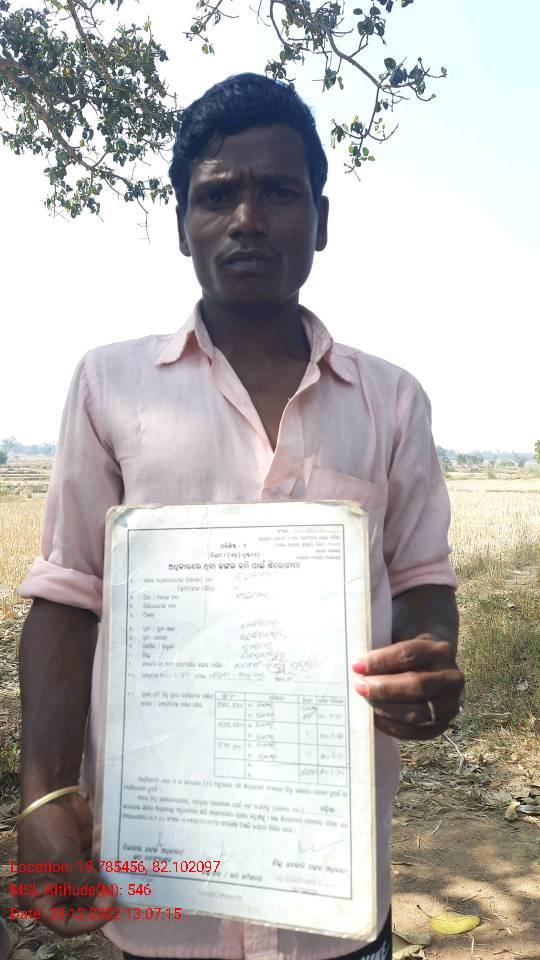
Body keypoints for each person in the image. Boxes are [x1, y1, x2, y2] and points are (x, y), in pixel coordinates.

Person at [16, 72, 464, 960]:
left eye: (280, 193)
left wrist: (427, 663)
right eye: (217, 195)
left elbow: (421, 580)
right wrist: (43, 792)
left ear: (321, 220)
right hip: (161, 903)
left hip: (331, 902)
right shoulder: (109, 384)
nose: (247, 219)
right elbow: (69, 595)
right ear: (183, 222)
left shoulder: (392, 399)